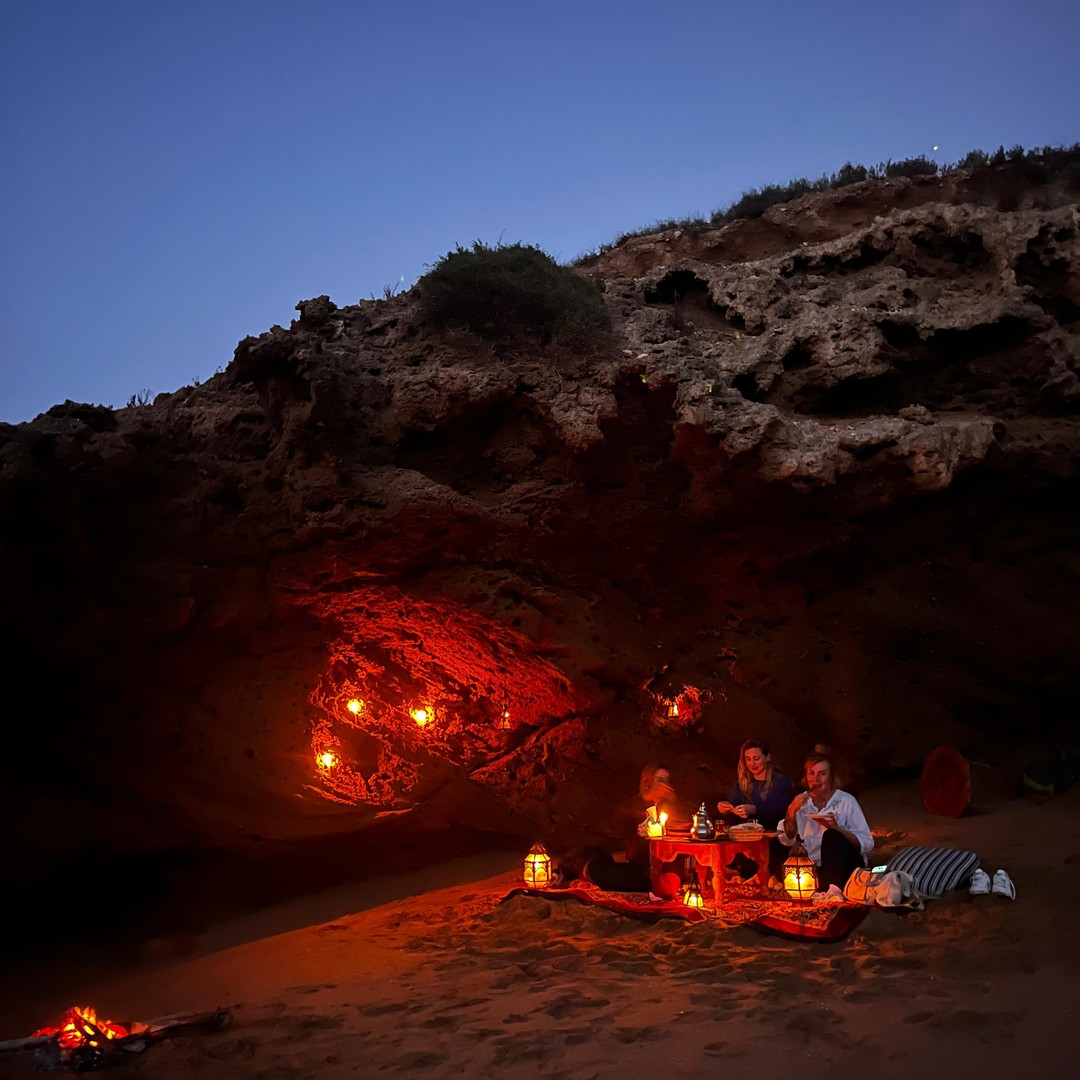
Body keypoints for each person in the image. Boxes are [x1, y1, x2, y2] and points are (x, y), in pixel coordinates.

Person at [778, 753, 874, 890]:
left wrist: (836, 829)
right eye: (812, 773)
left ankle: (833, 891)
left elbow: (867, 843)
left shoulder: (846, 801)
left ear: (831, 777)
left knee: (831, 836)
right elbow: (787, 839)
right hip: (815, 867)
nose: (816, 779)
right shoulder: (801, 802)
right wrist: (791, 811)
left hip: (845, 865)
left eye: (822, 774)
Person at [716, 739, 794, 886]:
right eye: (748, 759)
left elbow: (780, 809)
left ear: (767, 757)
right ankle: (743, 873)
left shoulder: (781, 781)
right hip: (747, 836)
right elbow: (732, 803)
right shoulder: (743, 782)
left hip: (774, 835)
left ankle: (765, 875)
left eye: (756, 758)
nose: (753, 764)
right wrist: (725, 807)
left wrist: (755, 809)